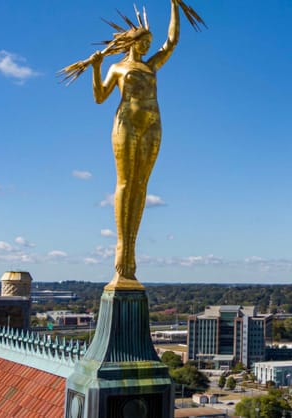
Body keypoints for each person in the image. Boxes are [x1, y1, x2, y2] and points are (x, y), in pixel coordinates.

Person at [89, 1, 179, 290]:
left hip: (152, 123)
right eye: (144, 42)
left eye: (150, 43)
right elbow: (100, 97)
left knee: (142, 185)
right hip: (125, 122)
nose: (147, 47)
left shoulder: (150, 65)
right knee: (126, 183)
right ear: (132, 41)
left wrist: (174, 6)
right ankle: (122, 247)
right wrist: (96, 66)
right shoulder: (117, 68)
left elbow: (172, 41)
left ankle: (132, 247)